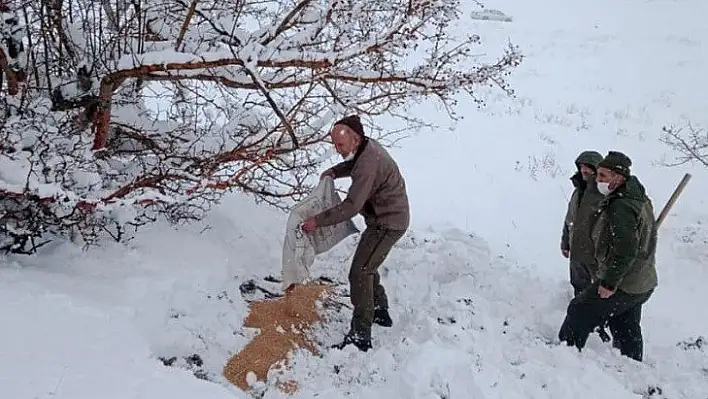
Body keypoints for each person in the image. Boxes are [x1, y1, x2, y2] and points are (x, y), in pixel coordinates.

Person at [302, 115, 410, 352]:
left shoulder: (368, 164)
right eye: (335, 144)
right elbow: (353, 164)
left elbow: (351, 205)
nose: (337, 149)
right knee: (368, 264)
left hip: (388, 223)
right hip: (383, 219)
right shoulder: (364, 149)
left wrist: (317, 221)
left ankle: (361, 335)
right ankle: (380, 311)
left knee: (360, 272)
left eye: (340, 145)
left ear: (356, 139)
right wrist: (334, 171)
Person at [558, 151, 658, 362]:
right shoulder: (638, 198)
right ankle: (631, 368)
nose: (598, 180)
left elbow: (626, 249)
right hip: (642, 280)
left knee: (579, 309)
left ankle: (562, 359)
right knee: (625, 324)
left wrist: (610, 283)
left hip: (625, 282)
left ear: (618, 177)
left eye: (602, 176)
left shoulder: (621, 207)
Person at [561, 150, 604, 296]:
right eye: (582, 167)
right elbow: (570, 219)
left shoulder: (603, 195)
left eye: (589, 167)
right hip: (576, 251)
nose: (584, 170)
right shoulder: (578, 191)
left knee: (599, 290)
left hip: (595, 254)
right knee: (579, 286)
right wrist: (565, 242)